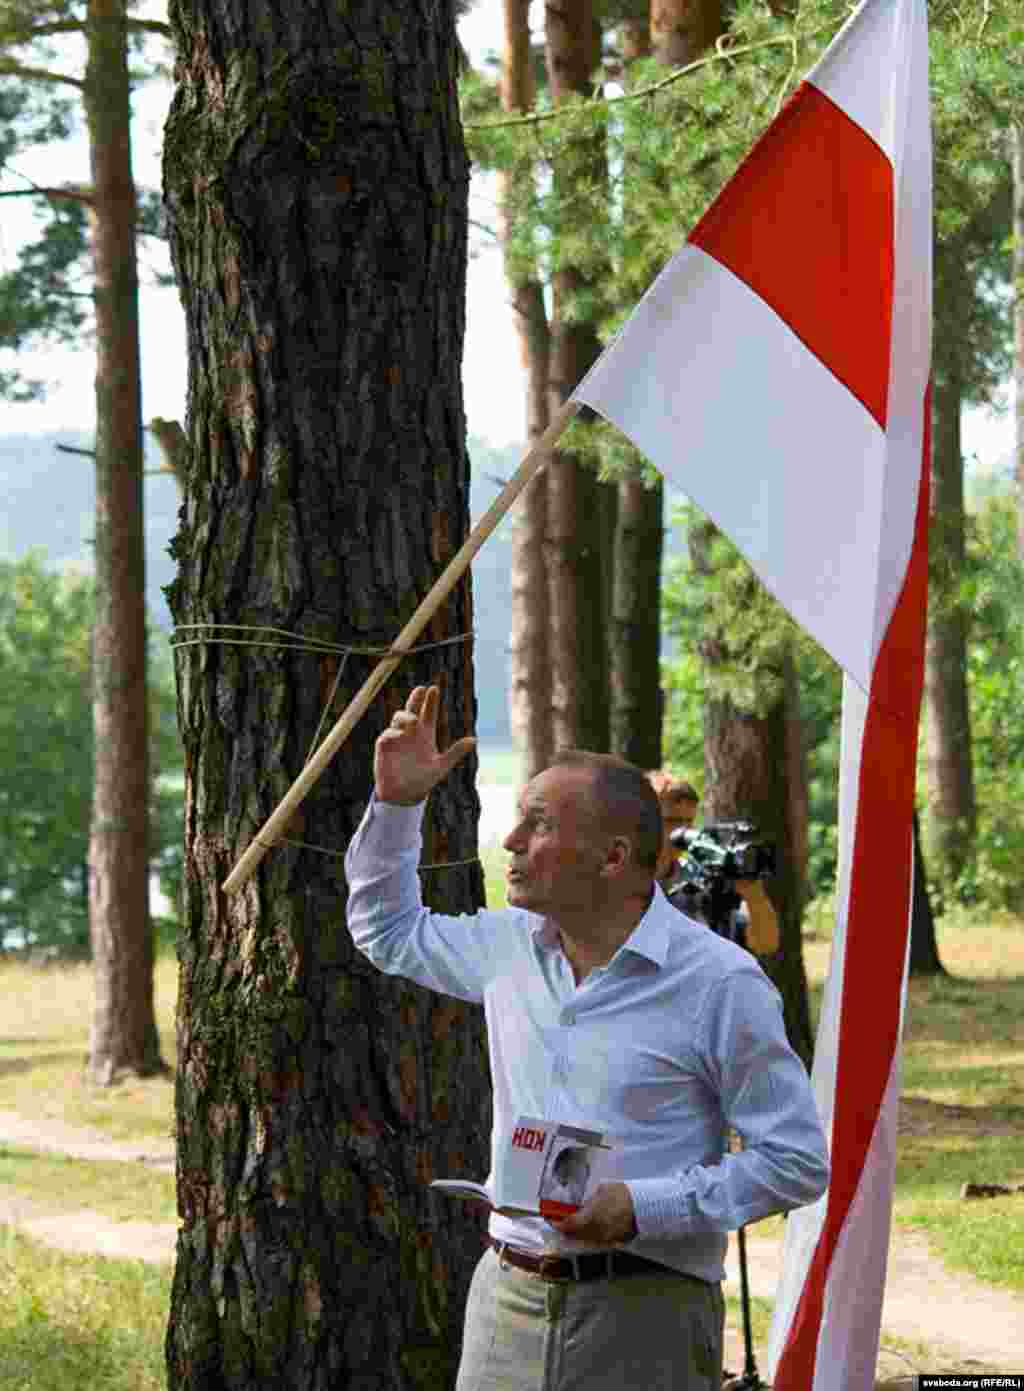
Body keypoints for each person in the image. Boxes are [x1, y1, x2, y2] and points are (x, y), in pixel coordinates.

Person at [345, 685, 829, 1391]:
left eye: (537, 824)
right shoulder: (509, 948)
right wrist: (396, 806)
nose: (510, 841)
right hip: (505, 1303)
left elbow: (795, 1159)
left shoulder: (720, 982)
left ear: (611, 857)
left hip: (644, 1315)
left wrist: (643, 1207)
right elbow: (386, 931)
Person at [647, 770, 780, 957]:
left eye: (688, 821)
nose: (682, 830)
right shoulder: (622, 882)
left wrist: (753, 893)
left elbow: (766, 944)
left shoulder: (699, 875)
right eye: (671, 821)